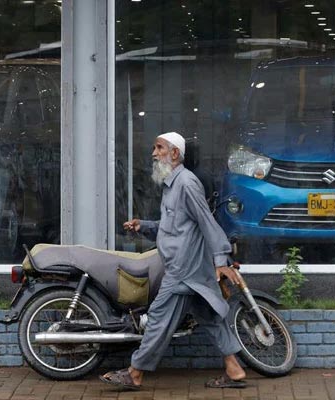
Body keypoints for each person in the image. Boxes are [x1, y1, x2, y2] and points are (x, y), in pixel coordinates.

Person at [100, 132, 247, 390]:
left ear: (175, 154)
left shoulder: (187, 184)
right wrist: (142, 226)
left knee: (158, 317)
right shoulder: (172, 185)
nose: (154, 154)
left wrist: (221, 260)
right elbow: (173, 227)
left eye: (159, 148)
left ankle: (135, 374)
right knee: (210, 317)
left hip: (183, 269)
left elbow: (207, 222)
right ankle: (234, 370)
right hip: (188, 268)